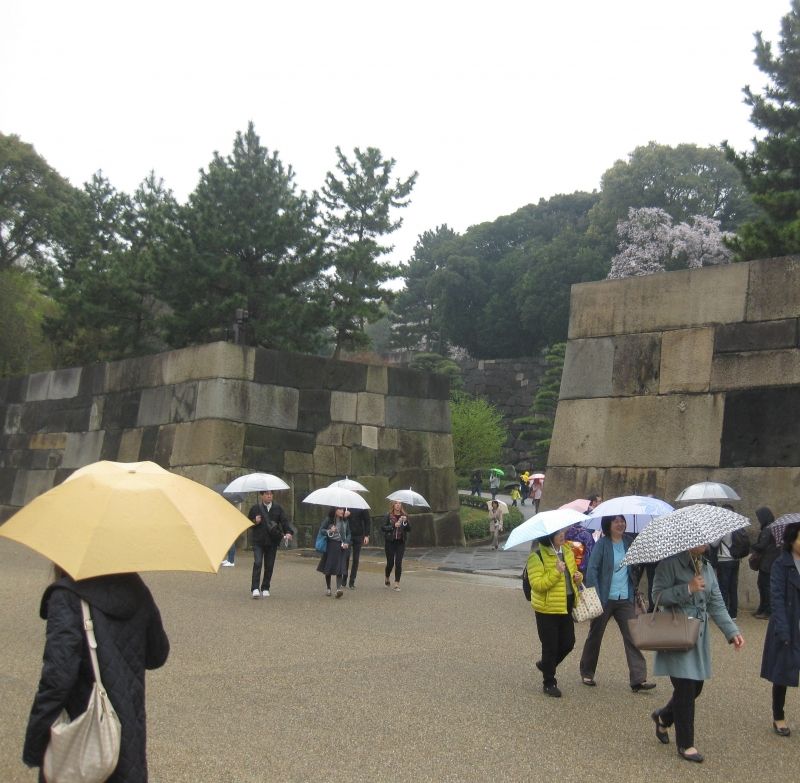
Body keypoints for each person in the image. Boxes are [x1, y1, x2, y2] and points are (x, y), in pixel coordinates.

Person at [23, 568, 170, 782]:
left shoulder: (66, 596)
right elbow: (157, 655)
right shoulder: (135, 587)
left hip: (82, 733)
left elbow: (57, 679)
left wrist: (36, 742)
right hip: (128, 734)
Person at [649, 544, 744, 763]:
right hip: (677, 633)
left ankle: (663, 716)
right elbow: (657, 596)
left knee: (696, 687)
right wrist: (688, 588)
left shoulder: (707, 566)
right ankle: (686, 744)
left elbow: (716, 603)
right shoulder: (670, 564)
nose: (707, 542)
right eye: (702, 538)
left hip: (698, 637)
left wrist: (732, 632)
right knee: (685, 688)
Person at [579, 515, 656, 692]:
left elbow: (637, 566)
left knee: (632, 636)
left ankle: (638, 678)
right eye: (616, 521)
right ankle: (587, 672)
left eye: (622, 521)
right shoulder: (602, 545)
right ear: (608, 525)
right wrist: (596, 594)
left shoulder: (629, 542)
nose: (620, 524)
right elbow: (592, 569)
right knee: (595, 635)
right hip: (605, 597)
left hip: (625, 597)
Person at [527, 528, 584, 697]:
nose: (562, 535)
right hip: (547, 608)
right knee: (550, 645)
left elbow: (573, 575)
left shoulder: (567, 551)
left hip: (566, 605)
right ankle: (549, 682)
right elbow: (537, 584)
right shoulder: (536, 557)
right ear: (548, 536)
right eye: (557, 533)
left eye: (562, 531)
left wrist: (578, 577)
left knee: (568, 642)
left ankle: (546, 665)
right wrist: (556, 571)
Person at [760, 521, 800, 737]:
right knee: (782, 672)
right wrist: (783, 630)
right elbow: (777, 598)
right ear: (791, 540)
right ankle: (778, 715)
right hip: (788, 623)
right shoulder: (780, 564)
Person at [247, 490, 293, 598]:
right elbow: (248, 523)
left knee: (269, 565)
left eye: (271, 494)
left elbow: (284, 521)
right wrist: (254, 521)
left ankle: (266, 587)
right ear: (261, 495)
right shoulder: (255, 508)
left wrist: (288, 532)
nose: (269, 496)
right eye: (267, 494)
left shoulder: (278, 508)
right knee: (258, 562)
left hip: (272, 541)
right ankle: (255, 588)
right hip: (258, 540)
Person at [316, 507, 351, 598]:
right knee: (329, 567)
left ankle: (338, 589)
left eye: (343, 509)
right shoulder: (329, 519)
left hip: (341, 546)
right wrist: (329, 530)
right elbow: (321, 530)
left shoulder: (345, 520)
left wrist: (346, 542)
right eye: (340, 509)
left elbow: (349, 533)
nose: (342, 511)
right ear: (335, 510)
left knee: (339, 568)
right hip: (330, 545)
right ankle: (328, 588)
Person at [751, 506, 778, 618]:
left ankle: (767, 611)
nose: (758, 520)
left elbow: (762, 546)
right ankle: (762, 608)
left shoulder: (768, 529)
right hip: (770, 562)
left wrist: (751, 545)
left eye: (759, 517)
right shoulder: (773, 527)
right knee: (763, 586)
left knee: (765, 587)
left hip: (767, 563)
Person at [382, 501, 411, 591]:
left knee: (398, 563)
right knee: (390, 563)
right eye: (396, 503)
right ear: (393, 505)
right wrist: (393, 525)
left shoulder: (404, 515)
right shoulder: (388, 515)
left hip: (400, 542)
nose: (398, 505)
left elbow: (409, 529)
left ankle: (397, 583)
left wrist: (405, 522)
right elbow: (383, 528)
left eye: (399, 503)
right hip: (390, 542)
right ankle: (387, 577)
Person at [342, 506, 370, 589]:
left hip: (358, 535)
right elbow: (338, 518)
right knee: (346, 557)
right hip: (348, 535)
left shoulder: (362, 506)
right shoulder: (345, 505)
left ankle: (352, 581)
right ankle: (344, 578)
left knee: (356, 559)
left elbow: (367, 521)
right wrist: (344, 516)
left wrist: (366, 535)